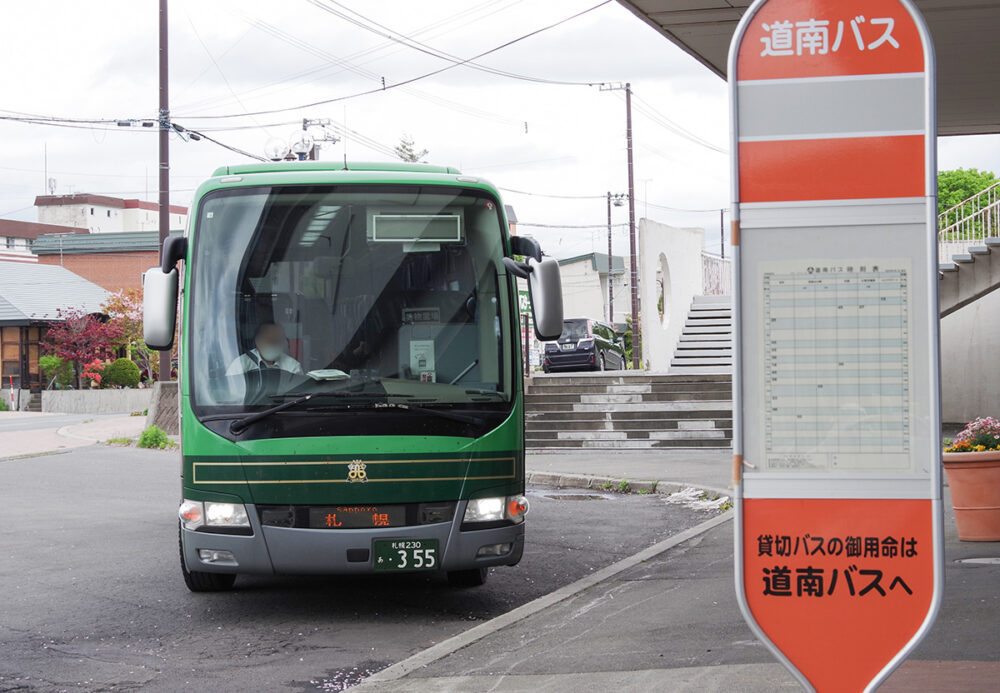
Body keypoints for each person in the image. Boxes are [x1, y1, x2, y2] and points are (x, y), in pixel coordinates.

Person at [226, 322, 303, 376]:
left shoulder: (292, 366)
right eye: (269, 340)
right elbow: (231, 392)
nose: (273, 344)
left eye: (277, 340)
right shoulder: (240, 364)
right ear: (257, 341)